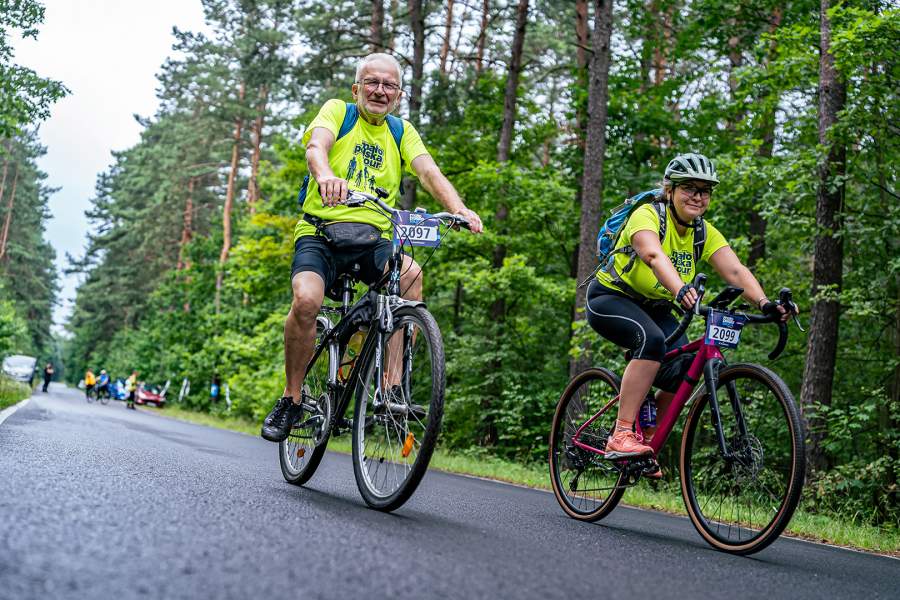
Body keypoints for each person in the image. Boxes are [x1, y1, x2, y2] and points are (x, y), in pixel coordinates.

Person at [260, 52, 483, 442]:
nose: (380, 91)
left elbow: (429, 172)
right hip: (322, 232)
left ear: (398, 94)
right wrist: (327, 175)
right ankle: (291, 398)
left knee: (412, 275)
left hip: (373, 240)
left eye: (389, 85)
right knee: (307, 300)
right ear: (357, 88)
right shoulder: (338, 112)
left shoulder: (401, 130)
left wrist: (458, 208)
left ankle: (390, 387)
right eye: (372, 83)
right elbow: (316, 147)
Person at [586, 153, 795, 474]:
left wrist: (766, 304)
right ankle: (622, 433)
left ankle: (648, 438)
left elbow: (736, 271)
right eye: (689, 188)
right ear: (670, 190)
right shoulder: (647, 215)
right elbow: (653, 255)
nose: (698, 196)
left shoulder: (703, 232)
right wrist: (680, 290)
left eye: (705, 190)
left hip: (655, 307)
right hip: (610, 298)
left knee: (685, 366)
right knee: (651, 340)